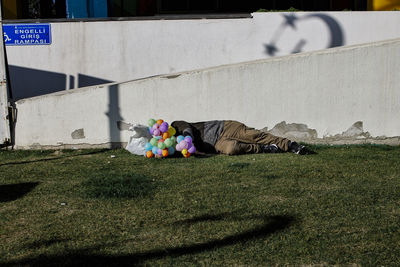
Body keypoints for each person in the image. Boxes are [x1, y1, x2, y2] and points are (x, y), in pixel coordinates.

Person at [171, 120, 312, 155]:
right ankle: (265, 149)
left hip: (223, 127)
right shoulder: (173, 149)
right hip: (217, 144)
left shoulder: (175, 125)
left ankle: (290, 145)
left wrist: (187, 141)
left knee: (253, 135)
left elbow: (187, 129)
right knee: (232, 149)